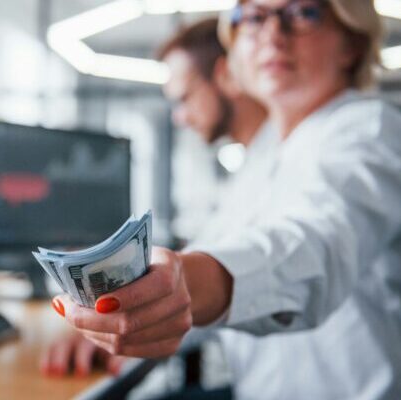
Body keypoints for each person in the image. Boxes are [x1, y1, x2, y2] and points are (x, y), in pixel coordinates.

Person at [51, 1, 401, 399]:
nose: (272, 33)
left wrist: (180, 283)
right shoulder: (264, 158)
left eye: (302, 12)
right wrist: (123, 317)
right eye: (254, 17)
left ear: (352, 42)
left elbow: (310, 248)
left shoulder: (373, 131)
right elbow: (209, 256)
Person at [40, 17, 270, 378]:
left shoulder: (333, 144)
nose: (179, 117)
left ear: (226, 75)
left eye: (183, 98)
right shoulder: (251, 170)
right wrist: (127, 323)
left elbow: (289, 256)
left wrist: (180, 285)